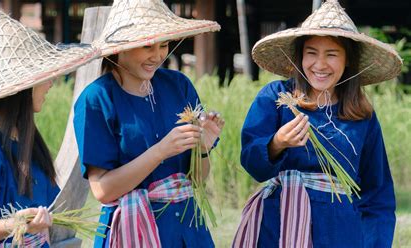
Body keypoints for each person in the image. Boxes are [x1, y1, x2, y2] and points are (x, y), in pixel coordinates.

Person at [232, 0, 402, 247]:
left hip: (339, 231)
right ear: (300, 56)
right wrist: (277, 143)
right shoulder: (277, 97)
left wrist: (375, 242)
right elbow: (251, 162)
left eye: (331, 55)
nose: (320, 65)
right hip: (278, 225)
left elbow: (377, 194)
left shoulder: (361, 115)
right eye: (311, 53)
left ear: (348, 62)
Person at [0, 9, 98, 246]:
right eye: (45, 76)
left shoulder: (24, 137)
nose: (51, 83)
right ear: (21, 87)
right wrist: (16, 224)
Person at [73, 0, 223, 247]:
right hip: (131, 231)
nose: (157, 55)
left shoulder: (179, 85)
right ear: (120, 47)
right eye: (146, 46)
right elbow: (103, 190)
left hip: (187, 229)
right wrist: (161, 151)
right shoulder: (96, 99)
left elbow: (196, 180)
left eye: (163, 45)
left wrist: (203, 149)